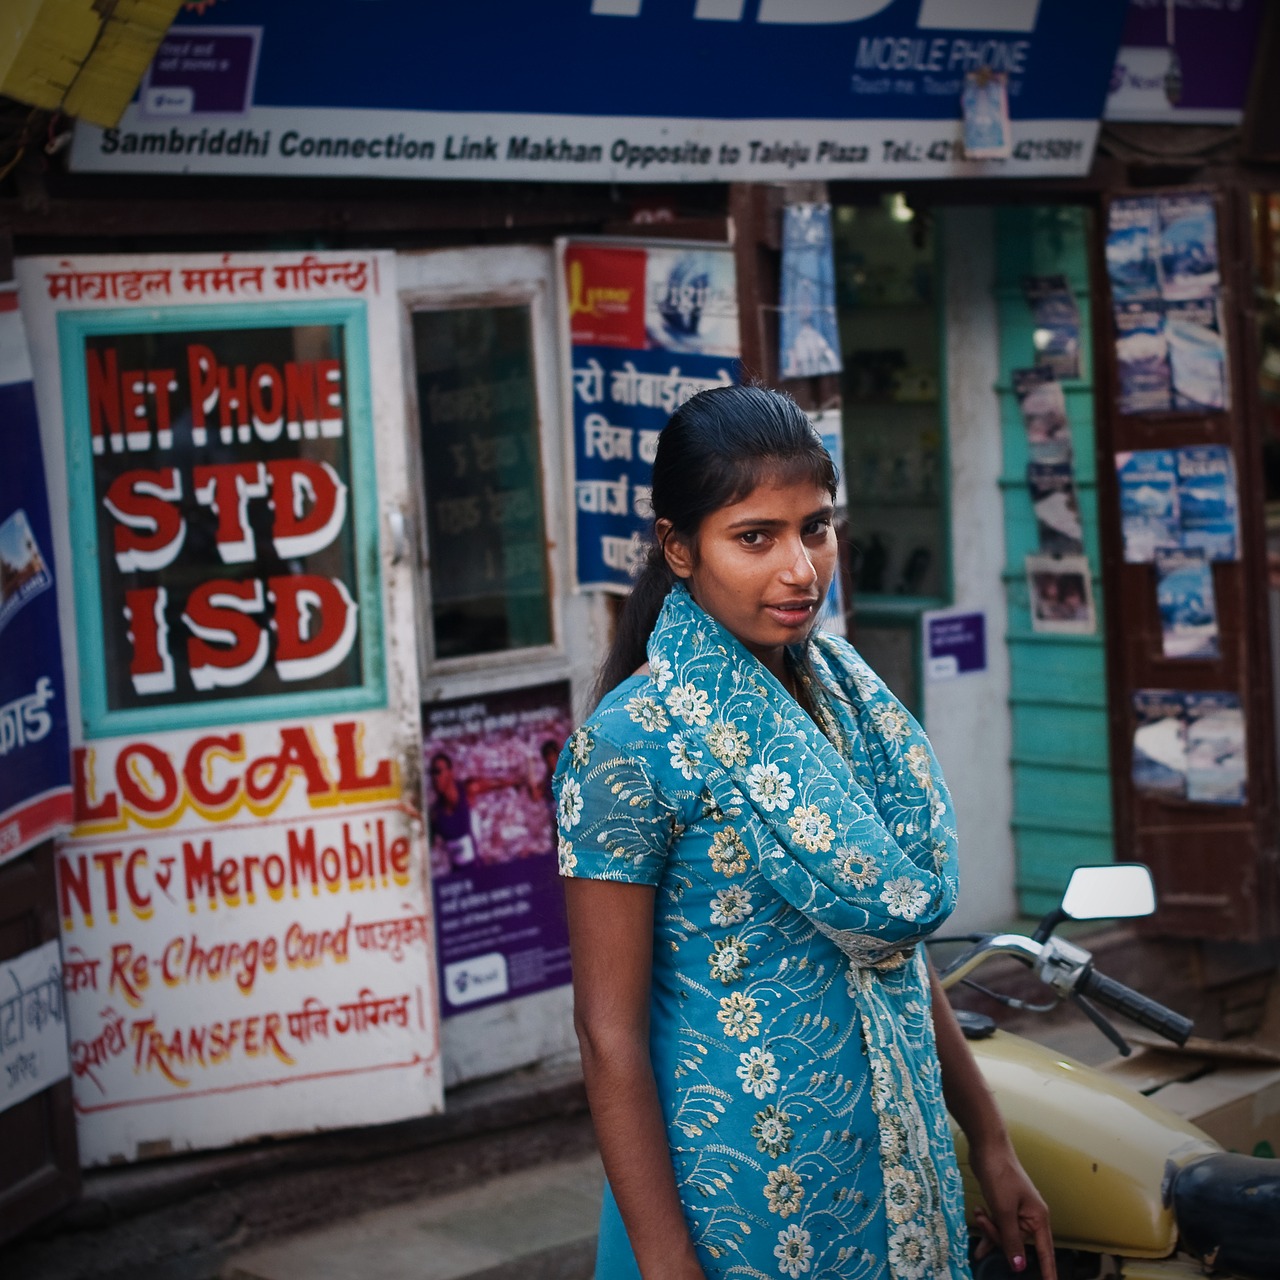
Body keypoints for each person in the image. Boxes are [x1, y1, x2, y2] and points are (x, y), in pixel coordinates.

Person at [554, 385, 1054, 1280]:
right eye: (757, 537)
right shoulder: (628, 746)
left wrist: (989, 1137)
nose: (800, 569)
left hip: (897, 1166)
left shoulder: (845, 705)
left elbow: (888, 946)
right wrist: (669, 1265)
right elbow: (607, 1034)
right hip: (738, 1197)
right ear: (679, 547)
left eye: (814, 528)